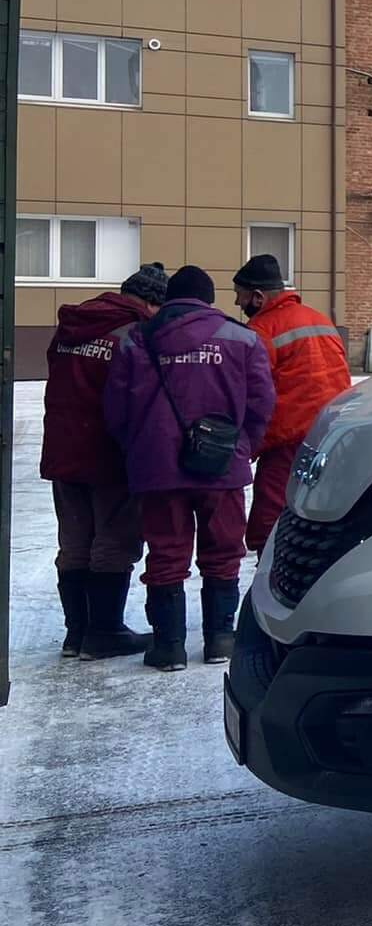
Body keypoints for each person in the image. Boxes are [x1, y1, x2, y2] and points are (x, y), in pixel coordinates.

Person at [104, 266, 274, 670]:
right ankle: (220, 640)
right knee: (223, 551)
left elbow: (116, 408)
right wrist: (242, 445)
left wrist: (140, 446)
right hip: (222, 464)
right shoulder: (242, 337)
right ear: (208, 299)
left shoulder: (136, 339)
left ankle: (169, 647)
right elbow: (262, 402)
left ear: (168, 299)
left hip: (157, 466)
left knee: (165, 553)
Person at [41, 262, 167, 658]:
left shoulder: (72, 327)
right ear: (150, 303)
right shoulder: (134, 334)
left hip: (63, 451)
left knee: (75, 542)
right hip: (109, 455)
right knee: (114, 541)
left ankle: (76, 633)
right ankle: (105, 631)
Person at [231, 253, 351, 554]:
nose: (237, 304)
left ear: (258, 297)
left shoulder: (260, 331)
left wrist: (249, 443)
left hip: (286, 439)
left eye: (240, 295)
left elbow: (254, 392)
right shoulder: (320, 320)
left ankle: (273, 580)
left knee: (269, 523)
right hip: (329, 431)